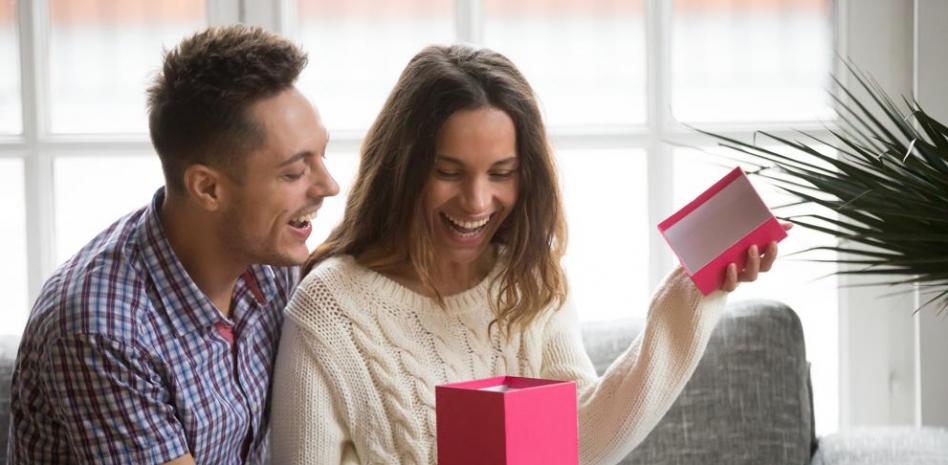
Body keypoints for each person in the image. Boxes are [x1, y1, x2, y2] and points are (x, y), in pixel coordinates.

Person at [270, 44, 789, 465]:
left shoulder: (530, 281)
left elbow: (580, 442)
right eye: (449, 172)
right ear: (402, 169)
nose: (476, 202)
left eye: (501, 173)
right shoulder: (330, 309)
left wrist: (691, 294)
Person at [7, 25, 338, 465]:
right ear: (208, 188)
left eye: (322, 156)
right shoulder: (104, 329)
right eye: (294, 173)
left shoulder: (272, 258)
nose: (329, 186)